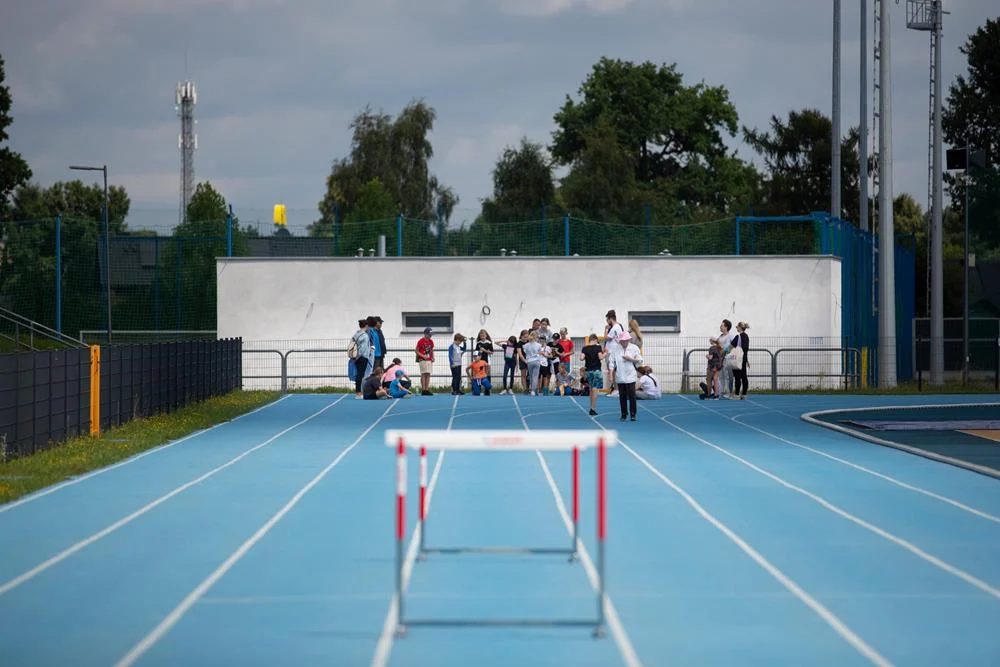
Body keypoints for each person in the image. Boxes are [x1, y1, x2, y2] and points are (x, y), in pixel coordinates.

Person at [608, 330, 642, 421]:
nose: (624, 342)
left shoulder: (634, 348)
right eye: (622, 340)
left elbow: (640, 361)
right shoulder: (615, 349)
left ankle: (633, 413)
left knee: (632, 395)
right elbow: (612, 363)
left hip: (631, 375)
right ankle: (623, 413)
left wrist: (630, 359)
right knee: (622, 396)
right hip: (620, 376)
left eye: (626, 340)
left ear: (629, 340)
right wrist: (611, 375)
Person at [579, 333, 605, 416]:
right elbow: (600, 357)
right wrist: (606, 354)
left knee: (591, 389)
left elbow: (581, 358)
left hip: (588, 370)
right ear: (595, 339)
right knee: (595, 389)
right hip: (596, 370)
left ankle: (591, 407)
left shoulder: (585, 348)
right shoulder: (598, 347)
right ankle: (593, 408)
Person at [351, 319, 374, 398]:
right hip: (362, 357)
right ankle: (358, 392)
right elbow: (363, 348)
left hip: (356, 357)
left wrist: (355, 357)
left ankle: (358, 391)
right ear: (366, 326)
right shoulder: (365, 335)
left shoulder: (356, 334)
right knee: (360, 375)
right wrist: (360, 355)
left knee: (359, 374)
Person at [520, 331, 543, 396]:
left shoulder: (526, 345)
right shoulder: (539, 345)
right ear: (536, 337)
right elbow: (540, 352)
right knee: (535, 376)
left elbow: (525, 352)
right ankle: (533, 390)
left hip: (529, 361)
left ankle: (533, 389)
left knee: (531, 376)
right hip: (536, 361)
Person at [732, 322, 751, 399]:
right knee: (744, 376)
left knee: (737, 377)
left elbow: (730, 347)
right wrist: (747, 360)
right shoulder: (746, 337)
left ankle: (736, 394)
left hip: (737, 359)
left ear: (740, 327)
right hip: (744, 358)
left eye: (737, 327)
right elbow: (745, 350)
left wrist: (723, 352)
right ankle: (744, 394)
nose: (736, 328)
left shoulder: (738, 337)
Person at [415, 328, 435, 396]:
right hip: (422, 360)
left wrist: (433, 357)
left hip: (429, 359)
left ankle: (427, 389)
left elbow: (431, 350)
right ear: (425, 334)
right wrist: (423, 356)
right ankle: (423, 390)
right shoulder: (421, 341)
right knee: (423, 374)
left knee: (428, 374)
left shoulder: (431, 341)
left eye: (431, 334)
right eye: (429, 334)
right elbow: (416, 351)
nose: (430, 336)